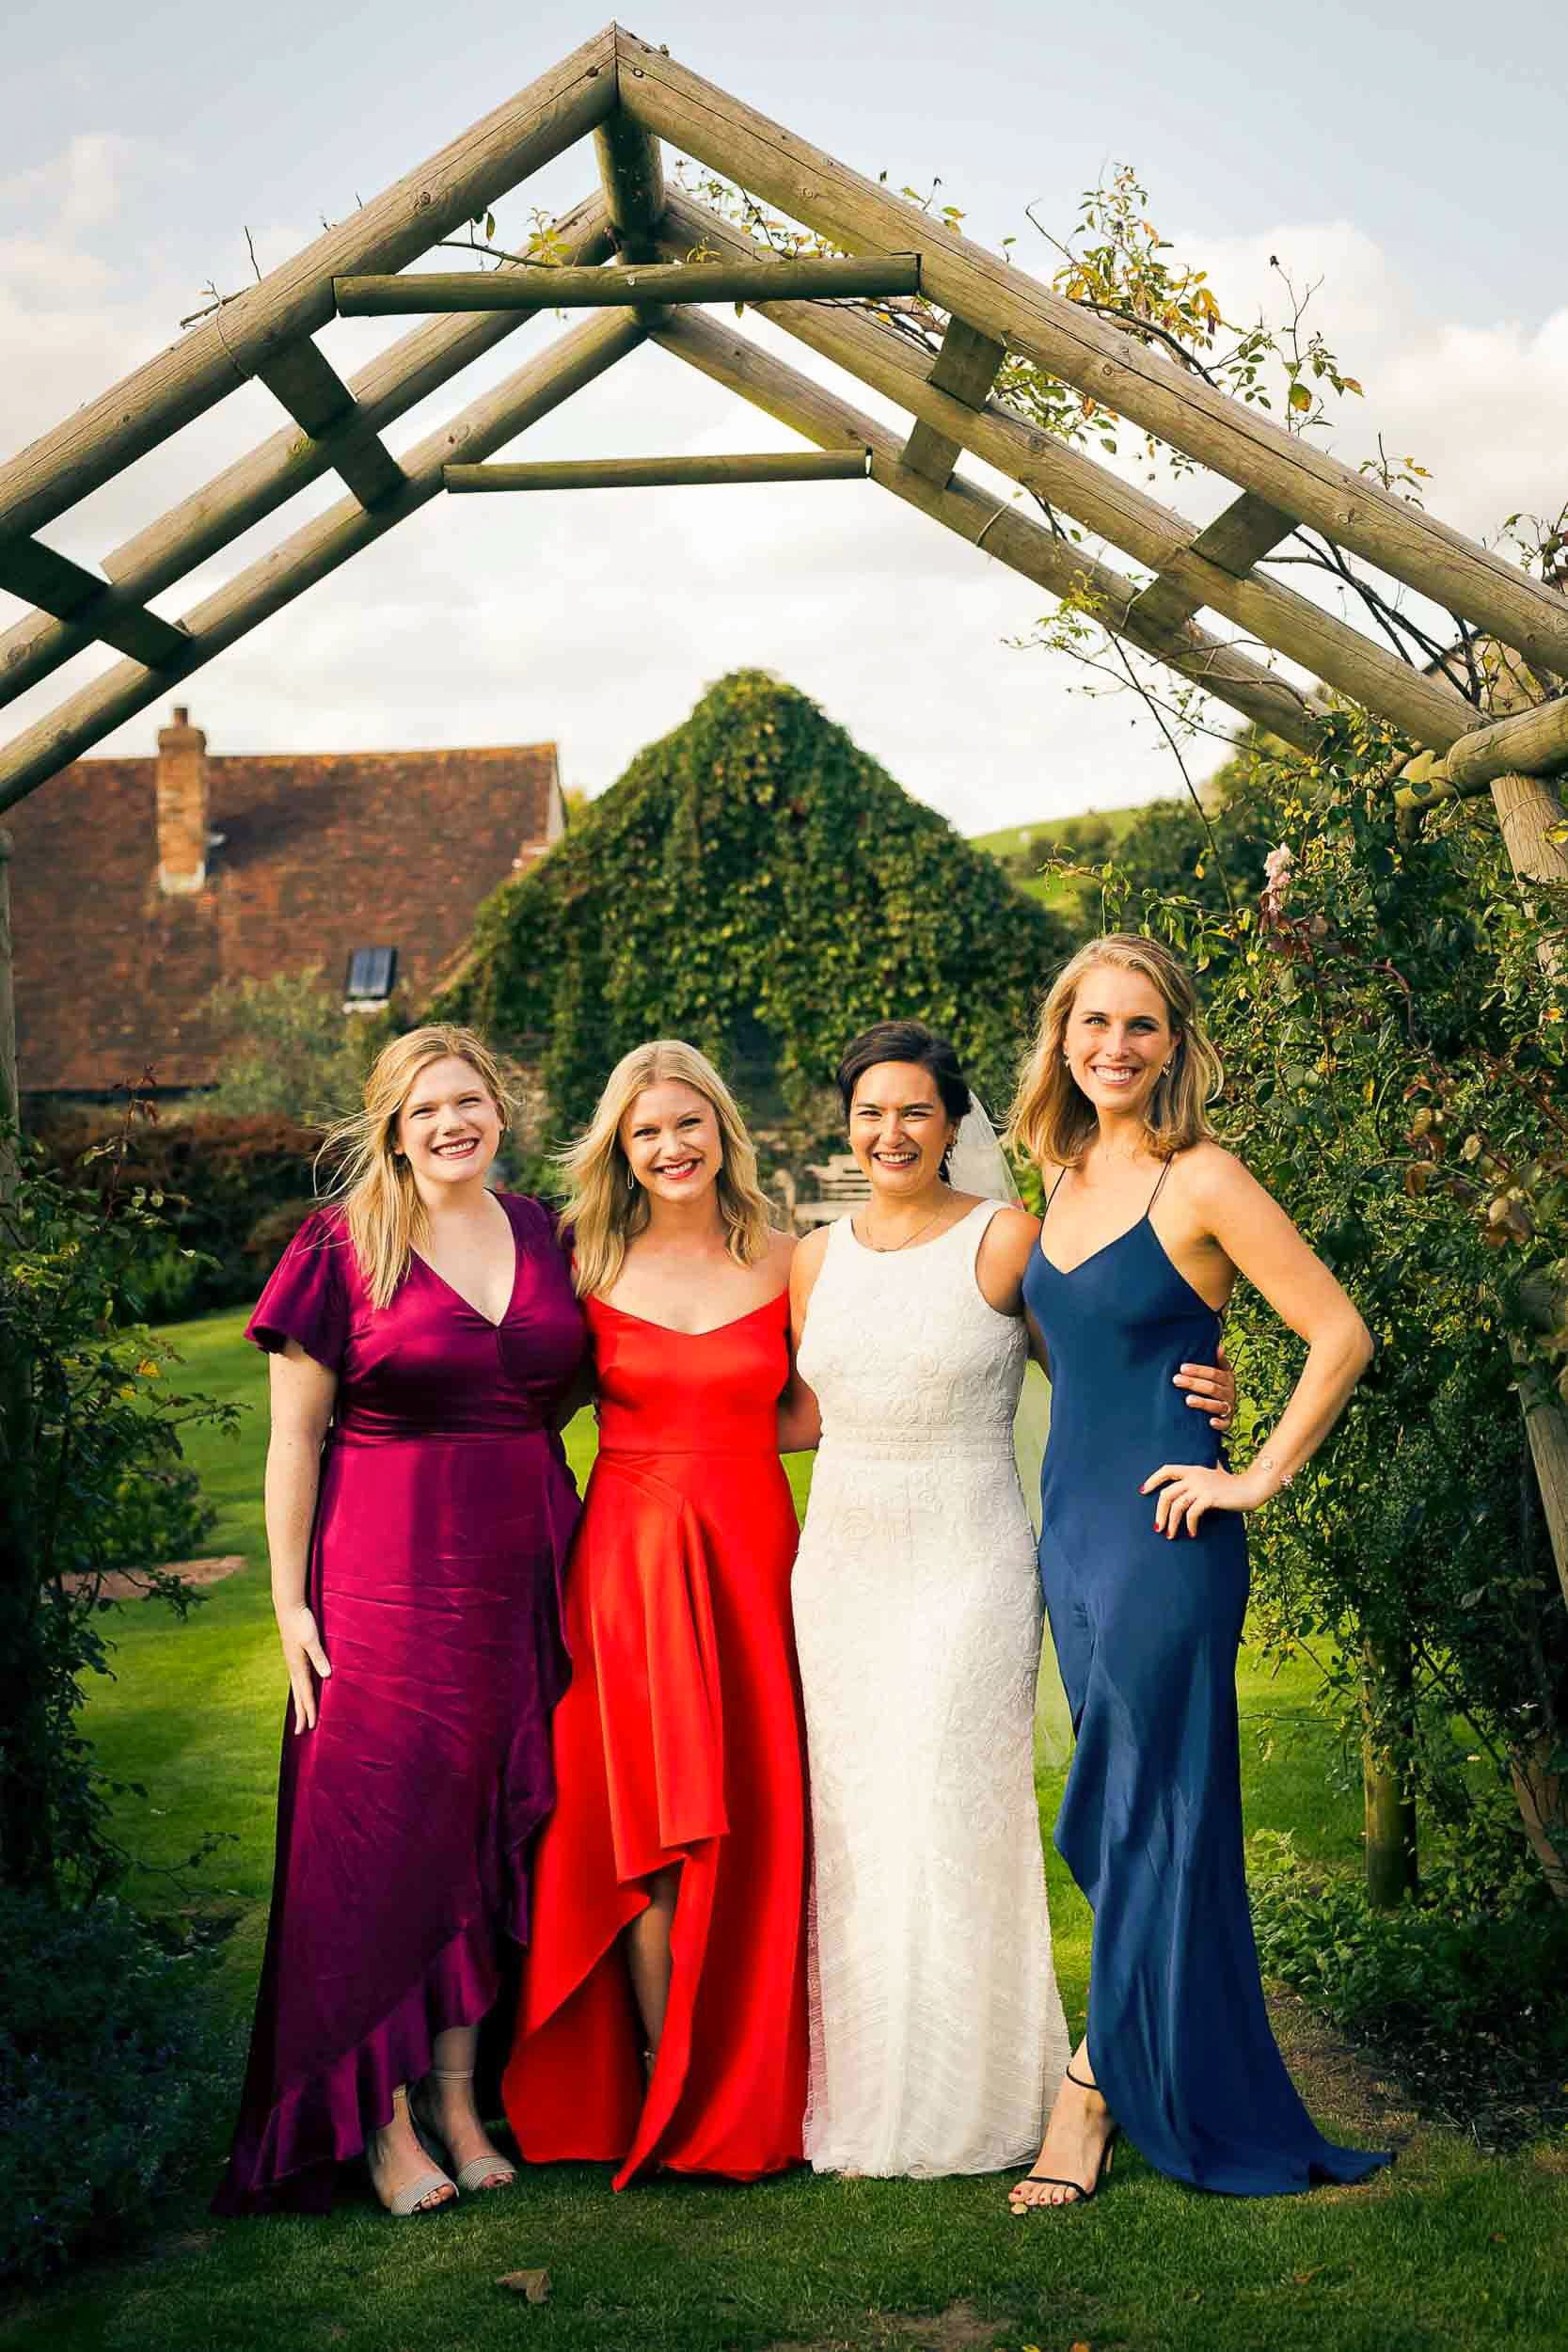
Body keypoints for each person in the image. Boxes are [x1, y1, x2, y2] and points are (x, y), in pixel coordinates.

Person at [788, 1021, 1234, 2179]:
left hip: (965, 1558)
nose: (890, 1132)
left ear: (953, 1124)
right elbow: (803, 1408)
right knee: (859, 1819)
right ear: (847, 1124)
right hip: (838, 1568)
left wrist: (1204, 1391)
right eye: (869, 1112)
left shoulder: (1003, 1239)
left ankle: (986, 2091)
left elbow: (1092, 1362)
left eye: (914, 1111)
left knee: (952, 1808)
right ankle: (871, 2090)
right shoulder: (810, 1259)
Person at [1008, 934, 1392, 2205]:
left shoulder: (1203, 1176)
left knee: (1139, 1806)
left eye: (1140, 1024)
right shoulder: (1058, 1172)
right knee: (1124, 1807)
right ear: (1061, 1038)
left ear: (1175, 1042)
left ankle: (1088, 2091)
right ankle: (1165, 2059)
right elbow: (1083, 1351)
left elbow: (1337, 1331)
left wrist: (1255, 1470)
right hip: (1073, 1533)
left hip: (1166, 1538)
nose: (1113, 1045)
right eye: (1092, 1022)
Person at [214, 1026, 586, 2217]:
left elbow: (575, 1381)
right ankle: (377, 2122)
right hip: (382, 1578)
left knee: (484, 1832)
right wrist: (289, 1604)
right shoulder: (340, 1244)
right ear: (391, 1126)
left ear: (500, 1108)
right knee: (379, 1843)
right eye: (424, 1109)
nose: (449, 1124)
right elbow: (293, 1441)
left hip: (522, 1568)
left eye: (467, 1100)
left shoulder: (545, 1232)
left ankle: (461, 2102)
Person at [501, 1041, 814, 2186]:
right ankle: (659, 2079)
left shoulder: (789, 1257)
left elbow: (830, 1405)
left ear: (722, 1129)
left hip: (751, 1557)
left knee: (758, 1817)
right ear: (619, 1149)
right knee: (645, 1828)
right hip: (627, 1568)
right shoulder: (582, 1260)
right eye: (646, 1131)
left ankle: (750, 2070)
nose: (671, 1146)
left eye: (688, 1123)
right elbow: (514, 1404)